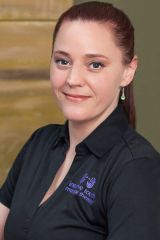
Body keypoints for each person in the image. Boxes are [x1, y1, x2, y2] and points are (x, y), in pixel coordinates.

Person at [0, 1, 160, 239]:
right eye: (63, 61)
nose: (73, 79)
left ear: (128, 71)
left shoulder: (137, 168)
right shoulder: (40, 142)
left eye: (95, 65)